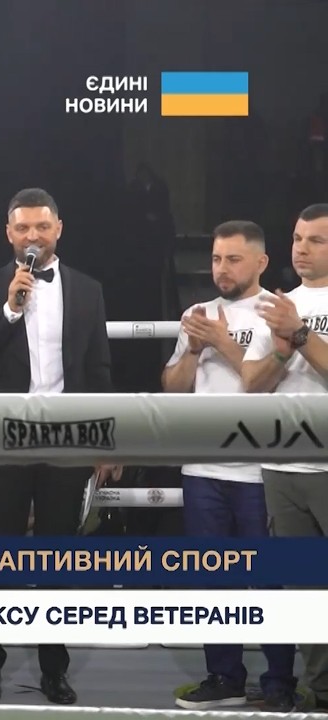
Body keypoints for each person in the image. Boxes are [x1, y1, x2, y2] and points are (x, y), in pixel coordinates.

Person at [0, 187, 116, 705]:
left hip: (66, 436)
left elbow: (98, 368)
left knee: (58, 557)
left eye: (41, 227)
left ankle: (54, 669)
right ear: (9, 233)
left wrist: (103, 438)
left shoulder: (88, 290)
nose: (33, 236)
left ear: (58, 230)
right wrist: (8, 310)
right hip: (5, 435)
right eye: (23, 228)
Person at [160, 220, 297, 711]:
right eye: (217, 259)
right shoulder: (195, 314)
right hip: (204, 470)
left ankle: (279, 681)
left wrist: (222, 342)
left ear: (261, 262)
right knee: (210, 580)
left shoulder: (279, 314)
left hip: (260, 471)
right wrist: (194, 350)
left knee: (269, 580)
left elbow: (265, 384)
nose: (222, 268)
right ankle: (224, 675)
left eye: (233, 259)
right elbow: (173, 389)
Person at [241, 203, 328, 711]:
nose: (301, 248)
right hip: (282, 469)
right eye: (297, 238)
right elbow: (252, 384)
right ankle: (321, 692)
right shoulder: (277, 305)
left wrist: (300, 334)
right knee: (305, 594)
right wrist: (280, 349)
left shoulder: (291, 315)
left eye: (316, 240)